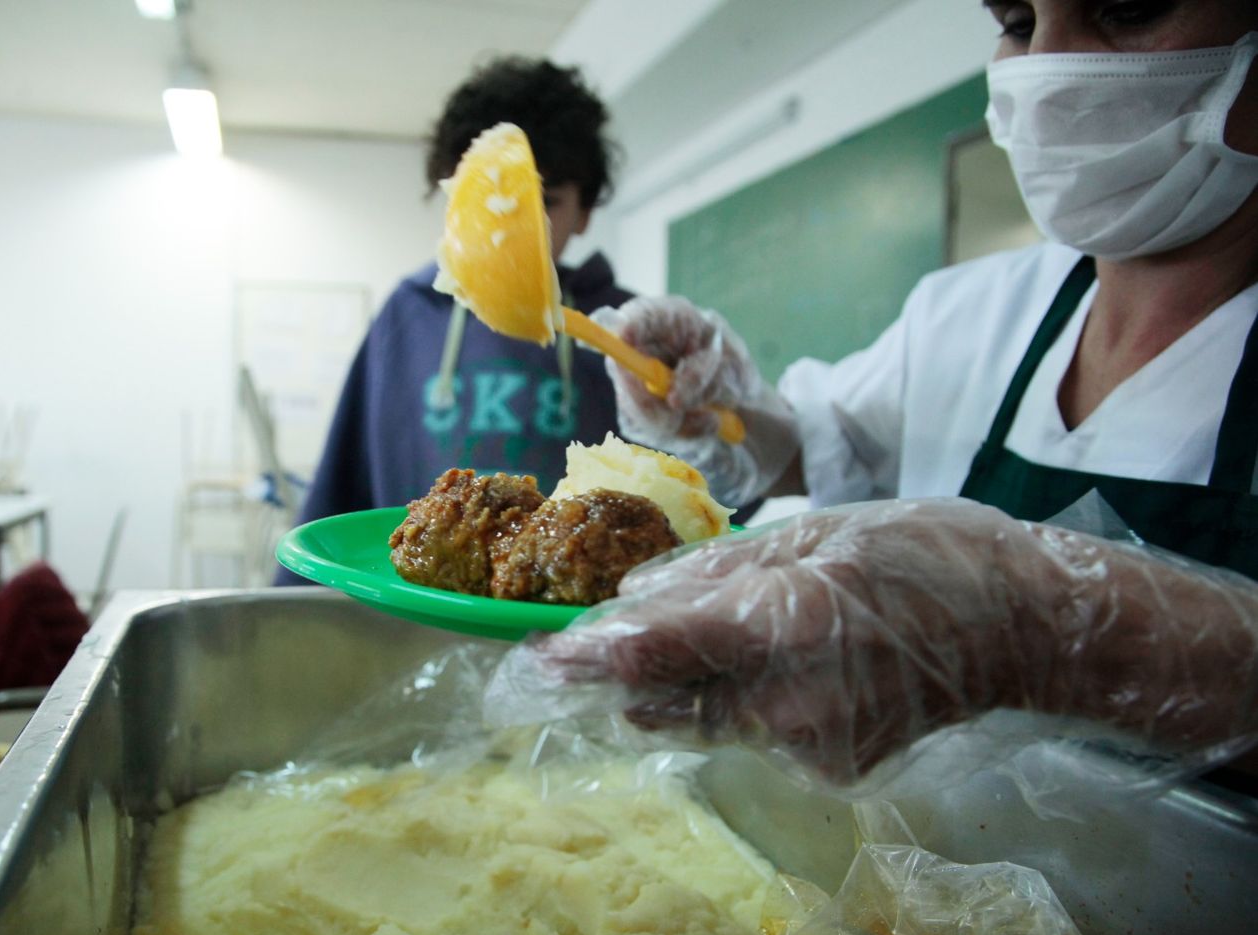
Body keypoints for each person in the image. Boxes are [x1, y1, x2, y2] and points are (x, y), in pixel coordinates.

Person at [506, 1, 1258, 787]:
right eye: (1016, 21)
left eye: (1126, 7)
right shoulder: (969, 310)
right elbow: (827, 442)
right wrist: (723, 411)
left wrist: (1040, 633)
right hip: (928, 884)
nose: (1050, 71)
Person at [289, 56, 635, 535]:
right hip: (419, 600)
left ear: (584, 213)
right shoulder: (408, 315)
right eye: (494, 200)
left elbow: (693, 497)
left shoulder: (623, 325)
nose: (518, 225)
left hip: (578, 605)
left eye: (546, 202)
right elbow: (341, 484)